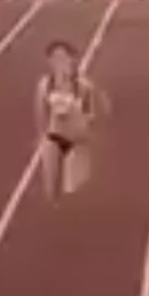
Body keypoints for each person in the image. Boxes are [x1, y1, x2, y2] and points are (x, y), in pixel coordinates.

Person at [37, 40, 103, 200]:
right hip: (54, 137)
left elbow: (93, 111)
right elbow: (40, 111)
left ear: (72, 59)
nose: (59, 62)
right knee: (51, 190)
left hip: (77, 141)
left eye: (63, 57)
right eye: (55, 58)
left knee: (73, 190)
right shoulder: (46, 84)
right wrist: (42, 136)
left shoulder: (83, 86)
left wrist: (82, 120)